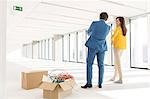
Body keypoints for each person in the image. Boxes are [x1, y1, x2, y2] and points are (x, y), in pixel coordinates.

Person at [81, 12, 110, 88]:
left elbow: (89, 32)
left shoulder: (94, 23)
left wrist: (87, 31)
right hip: (102, 47)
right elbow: (103, 35)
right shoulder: (108, 27)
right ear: (106, 18)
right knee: (101, 65)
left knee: (89, 64)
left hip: (93, 46)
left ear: (99, 17)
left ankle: (89, 83)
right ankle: (100, 83)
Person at [110, 17, 127, 84]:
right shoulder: (124, 29)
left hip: (117, 47)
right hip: (122, 47)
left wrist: (111, 40)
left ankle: (120, 78)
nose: (116, 22)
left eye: (117, 21)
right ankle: (114, 76)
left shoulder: (118, 28)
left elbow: (113, 36)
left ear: (121, 22)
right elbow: (119, 36)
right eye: (116, 21)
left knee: (118, 63)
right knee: (117, 62)